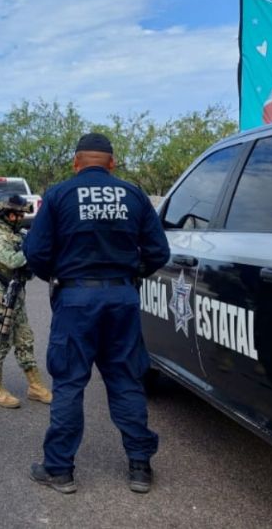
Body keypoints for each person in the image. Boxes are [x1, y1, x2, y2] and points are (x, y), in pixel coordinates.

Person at [22, 133, 170, 494]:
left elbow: (36, 252)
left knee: (70, 383)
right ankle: (139, 467)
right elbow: (159, 252)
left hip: (75, 299)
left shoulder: (58, 195)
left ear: (76, 163)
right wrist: (129, 277)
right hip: (121, 297)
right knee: (125, 379)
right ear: (112, 163)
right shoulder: (133, 195)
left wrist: (59, 277)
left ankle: (59, 470)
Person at [0, 193, 52, 409]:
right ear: (7, 215)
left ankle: (35, 386)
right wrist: (35, 248)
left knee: (25, 339)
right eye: (18, 214)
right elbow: (14, 260)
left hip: (15, 292)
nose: (20, 218)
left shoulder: (15, 234)